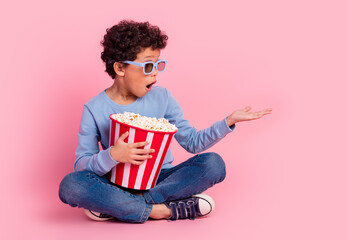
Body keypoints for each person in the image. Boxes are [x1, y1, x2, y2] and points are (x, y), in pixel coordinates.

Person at [58, 19, 272, 223]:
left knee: (213, 164)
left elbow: (193, 143)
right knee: (72, 185)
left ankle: (124, 208)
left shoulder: (163, 97)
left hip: (162, 180)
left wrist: (227, 122)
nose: (155, 75)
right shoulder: (94, 108)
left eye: (158, 65)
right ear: (120, 68)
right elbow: (81, 165)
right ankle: (164, 210)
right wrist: (113, 155)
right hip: (116, 183)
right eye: (148, 67)